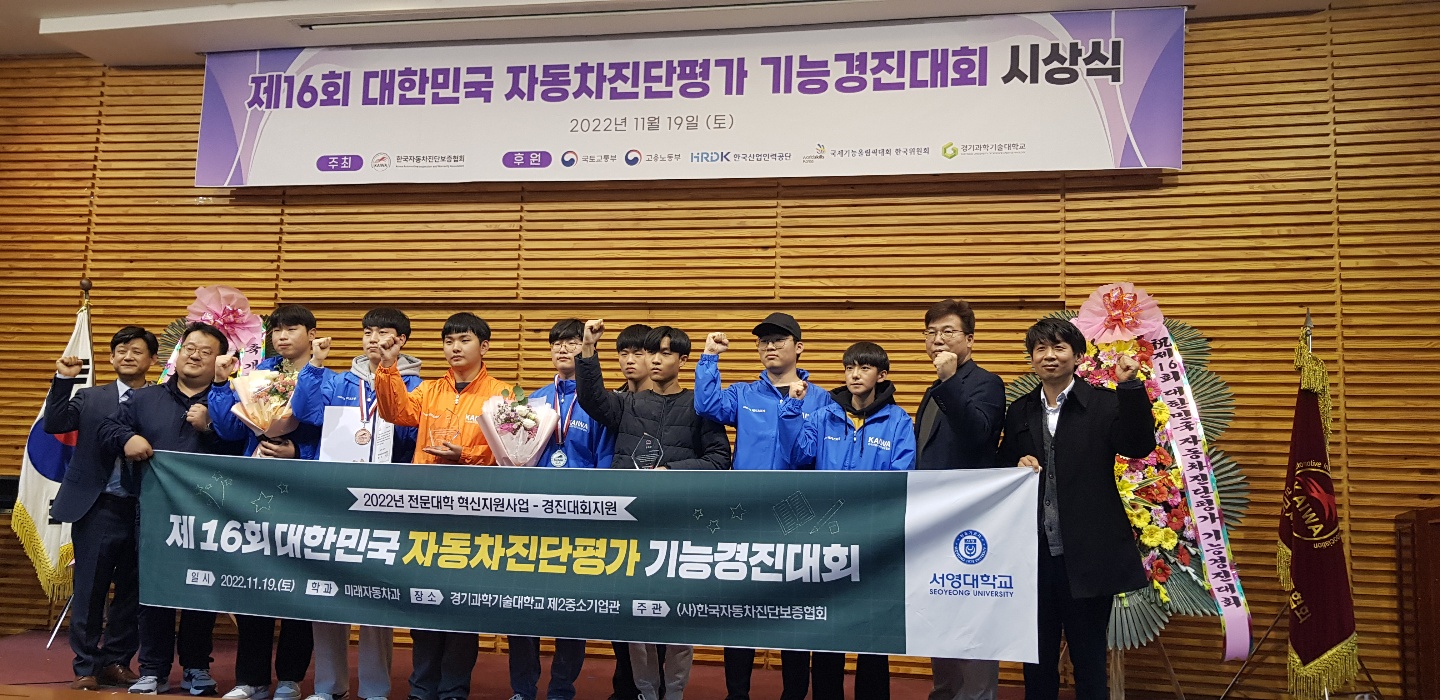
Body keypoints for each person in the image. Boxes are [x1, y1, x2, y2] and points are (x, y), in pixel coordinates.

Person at [999, 318, 1155, 700]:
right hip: (1033, 558)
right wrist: (1014, 463)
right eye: (1040, 349)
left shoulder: (1103, 404)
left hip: (1087, 556)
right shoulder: (1019, 410)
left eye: (1059, 347)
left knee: (1089, 663)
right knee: (1036, 662)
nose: (1049, 356)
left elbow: (1138, 445)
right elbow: (1001, 464)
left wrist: (1130, 388)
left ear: (1078, 356)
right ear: (1032, 358)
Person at [575, 320, 730, 700]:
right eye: (651, 353)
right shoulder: (626, 404)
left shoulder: (699, 406)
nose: (655, 360)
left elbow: (719, 459)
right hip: (631, 524)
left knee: (676, 618)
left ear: (683, 359)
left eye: (664, 353)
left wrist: (670, 471)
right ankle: (643, 691)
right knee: (634, 615)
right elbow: (591, 398)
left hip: (678, 526)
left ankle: (674, 692)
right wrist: (588, 349)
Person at [372, 311, 511, 700]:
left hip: (474, 511)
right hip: (426, 508)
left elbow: (511, 453)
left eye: (464, 340)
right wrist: (388, 365)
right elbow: (395, 412)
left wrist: (464, 455)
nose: (454, 347)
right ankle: (421, 687)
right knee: (424, 600)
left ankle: (453, 689)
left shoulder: (502, 394)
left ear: (484, 346)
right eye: (448, 341)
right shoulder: (428, 389)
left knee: (462, 605)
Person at [694, 312, 832, 700]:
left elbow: (814, 454)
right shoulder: (743, 394)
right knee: (742, 609)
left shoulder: (820, 398)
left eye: (778, 340)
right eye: (763, 341)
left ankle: (794, 694)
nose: (769, 346)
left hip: (797, 517)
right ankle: (736, 693)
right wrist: (709, 357)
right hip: (747, 512)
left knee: (793, 613)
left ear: (798, 347)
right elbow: (706, 405)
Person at [293, 307, 423, 700]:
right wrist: (315, 364)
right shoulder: (337, 380)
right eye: (367, 332)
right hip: (333, 498)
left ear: (401, 340)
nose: (373, 340)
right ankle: (328, 686)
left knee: (376, 595)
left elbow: (411, 439)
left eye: (382, 333)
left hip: (385, 500)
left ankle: (375, 688)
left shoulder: (417, 385)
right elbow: (305, 414)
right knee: (326, 591)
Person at [98, 323, 229, 696]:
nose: (195, 355)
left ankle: (196, 667)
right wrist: (128, 437)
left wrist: (210, 429)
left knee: (201, 591)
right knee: (154, 590)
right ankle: (152, 669)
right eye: (190, 347)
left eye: (205, 351)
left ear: (220, 361)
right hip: (155, 512)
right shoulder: (145, 398)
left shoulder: (228, 402)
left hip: (209, 515)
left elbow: (241, 451)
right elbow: (107, 430)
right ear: (178, 352)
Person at [778, 341, 912, 700]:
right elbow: (798, 455)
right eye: (850, 367)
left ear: (881, 375)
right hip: (828, 540)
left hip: (875, 540)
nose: (855, 374)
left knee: (874, 634)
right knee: (829, 630)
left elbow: (902, 476)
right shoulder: (824, 416)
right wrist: (792, 408)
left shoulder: (898, 421)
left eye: (864, 368)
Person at [210, 305, 324, 700]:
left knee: (300, 589)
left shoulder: (328, 377)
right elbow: (228, 430)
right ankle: (251, 679)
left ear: (311, 334)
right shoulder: (255, 375)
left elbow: (329, 431)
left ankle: (291, 677)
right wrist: (222, 384)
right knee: (252, 583)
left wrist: (299, 453)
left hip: (304, 496)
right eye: (276, 330)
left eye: (291, 329)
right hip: (254, 492)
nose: (282, 336)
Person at [44, 326, 159, 692]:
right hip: (96, 507)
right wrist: (64, 380)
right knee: (90, 590)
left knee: (131, 592)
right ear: (111, 358)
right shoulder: (91, 397)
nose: (127, 356)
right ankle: (86, 666)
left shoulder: (159, 400)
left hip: (143, 508)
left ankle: (117, 662)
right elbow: (54, 423)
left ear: (152, 360)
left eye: (136, 350)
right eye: (121, 350)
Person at [507, 318, 611, 700]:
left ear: (585, 348)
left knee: (571, 610)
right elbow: (514, 456)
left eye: (571, 342)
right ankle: (522, 689)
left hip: (580, 519)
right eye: (556, 343)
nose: (562, 349)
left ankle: (561, 690)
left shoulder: (599, 402)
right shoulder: (530, 401)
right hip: (533, 519)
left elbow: (605, 460)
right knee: (522, 608)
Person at [915, 299, 1006, 700]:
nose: (938, 339)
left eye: (948, 331)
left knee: (973, 612)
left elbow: (978, 435)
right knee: (940, 611)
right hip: (933, 518)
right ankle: (945, 692)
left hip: (971, 521)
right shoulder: (933, 390)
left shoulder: (986, 383)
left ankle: (976, 695)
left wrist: (950, 380)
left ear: (969, 339)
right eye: (931, 332)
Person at [606, 321, 652, 700]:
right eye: (623, 353)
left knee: (652, 609)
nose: (629, 360)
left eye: (638, 352)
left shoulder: (679, 402)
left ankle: (654, 688)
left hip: (658, 519)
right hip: (614, 515)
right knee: (619, 608)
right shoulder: (612, 401)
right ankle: (624, 685)